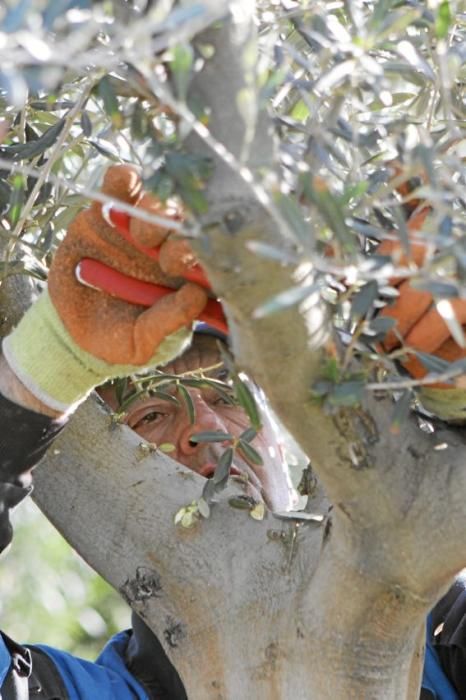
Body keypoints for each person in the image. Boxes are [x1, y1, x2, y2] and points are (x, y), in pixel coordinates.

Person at [0, 164, 464, 699]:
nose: (209, 430)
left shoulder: (449, 643)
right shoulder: (76, 692)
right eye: (152, 415)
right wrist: (47, 366)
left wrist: (454, 404)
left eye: (230, 399)